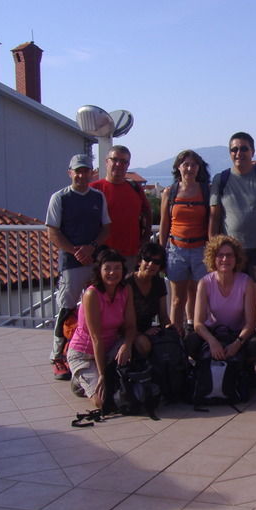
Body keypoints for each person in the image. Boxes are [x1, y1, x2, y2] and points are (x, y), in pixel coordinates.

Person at [45, 153, 110, 380]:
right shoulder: (60, 198)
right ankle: (57, 355)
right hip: (71, 264)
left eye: (86, 170)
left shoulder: (98, 197)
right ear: (70, 173)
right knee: (67, 308)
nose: (82, 175)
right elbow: (53, 231)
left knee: (96, 307)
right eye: (78, 170)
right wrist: (76, 251)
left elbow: (105, 228)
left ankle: (86, 350)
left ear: (91, 172)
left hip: (94, 262)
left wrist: (92, 248)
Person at [67, 248, 146, 408]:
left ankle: (106, 374)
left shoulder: (125, 290)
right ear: (99, 270)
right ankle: (80, 380)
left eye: (117, 268)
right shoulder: (92, 294)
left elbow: (131, 326)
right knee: (102, 403)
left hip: (110, 347)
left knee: (142, 343)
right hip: (85, 353)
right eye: (107, 268)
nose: (112, 273)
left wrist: (127, 345)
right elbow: (96, 338)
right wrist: (102, 375)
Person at [184, 235, 256, 378]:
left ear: (236, 258)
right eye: (220, 255)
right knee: (190, 342)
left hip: (237, 334)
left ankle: (244, 367)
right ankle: (207, 366)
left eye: (229, 255)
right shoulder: (205, 283)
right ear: (213, 258)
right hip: (214, 332)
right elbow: (198, 323)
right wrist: (212, 342)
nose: (225, 260)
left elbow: (250, 323)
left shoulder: (245, 282)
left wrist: (237, 343)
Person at [209, 132, 256, 281]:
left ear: (252, 151)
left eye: (244, 149)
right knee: (233, 298)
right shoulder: (221, 179)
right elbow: (214, 217)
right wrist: (213, 250)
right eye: (234, 149)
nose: (239, 153)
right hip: (230, 252)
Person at [159, 150, 210, 334]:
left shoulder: (206, 191)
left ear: (198, 168)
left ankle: (195, 334)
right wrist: (160, 253)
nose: (189, 168)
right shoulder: (169, 193)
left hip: (200, 249)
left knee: (197, 296)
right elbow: (165, 224)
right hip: (176, 250)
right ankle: (176, 338)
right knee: (177, 300)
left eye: (193, 165)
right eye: (185, 164)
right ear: (178, 167)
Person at [90, 145, 152, 272]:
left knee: (126, 290)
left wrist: (145, 238)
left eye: (124, 161)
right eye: (115, 159)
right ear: (107, 162)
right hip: (102, 254)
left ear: (128, 165)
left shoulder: (135, 187)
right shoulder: (94, 189)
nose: (119, 164)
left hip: (130, 253)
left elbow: (147, 212)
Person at [126, 242, 175, 353]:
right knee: (144, 343)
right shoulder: (127, 283)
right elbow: (124, 321)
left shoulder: (159, 282)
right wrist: (142, 333)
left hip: (150, 329)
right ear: (139, 261)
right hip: (128, 331)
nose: (151, 264)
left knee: (174, 338)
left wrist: (170, 329)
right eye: (147, 259)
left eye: (157, 262)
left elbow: (163, 316)